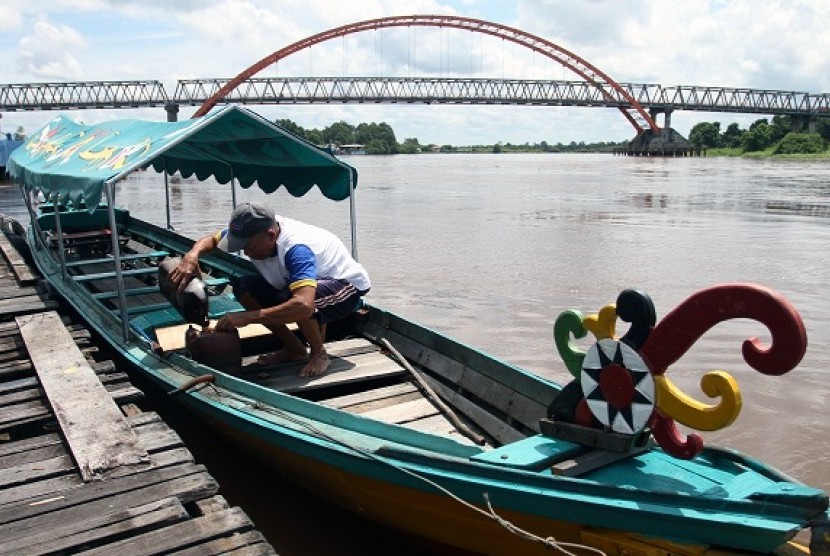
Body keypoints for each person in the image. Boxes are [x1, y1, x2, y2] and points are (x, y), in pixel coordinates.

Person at [169, 203, 370, 377]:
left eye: (248, 246)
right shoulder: (254, 230)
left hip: (345, 287)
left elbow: (303, 304)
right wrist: (192, 255)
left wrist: (247, 318)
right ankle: (294, 348)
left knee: (296, 299)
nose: (245, 252)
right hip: (301, 283)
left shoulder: (296, 249)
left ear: (271, 235)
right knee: (243, 286)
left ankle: (319, 354)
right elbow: (212, 241)